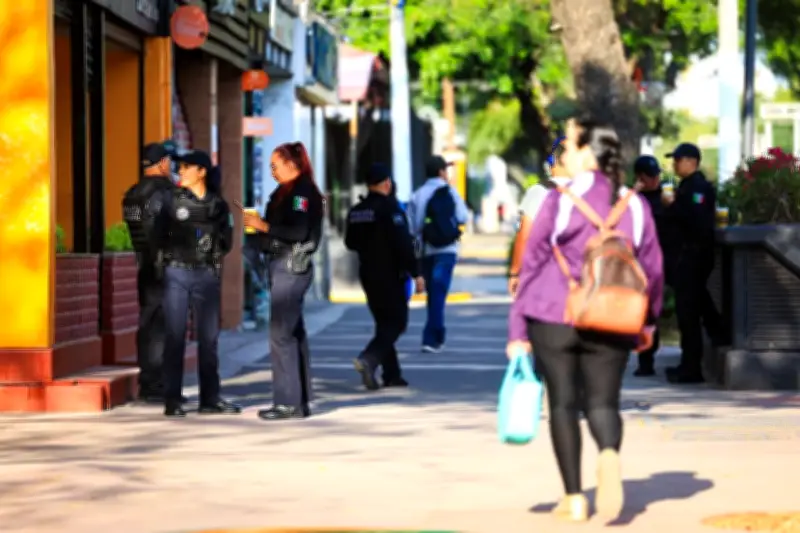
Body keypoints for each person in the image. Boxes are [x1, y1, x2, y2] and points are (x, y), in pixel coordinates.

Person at [507, 118, 664, 522]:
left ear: (588, 153)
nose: (564, 155)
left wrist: (518, 330)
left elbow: (532, 264)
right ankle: (609, 454)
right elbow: (653, 270)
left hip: (553, 313)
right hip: (613, 314)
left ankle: (574, 498)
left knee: (562, 403)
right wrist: (648, 323)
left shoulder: (559, 200)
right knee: (603, 402)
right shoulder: (635, 204)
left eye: (570, 147)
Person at [243, 141, 323, 420]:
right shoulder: (283, 192)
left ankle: (288, 402)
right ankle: (298, 400)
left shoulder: (302, 193)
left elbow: (299, 231)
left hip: (292, 265)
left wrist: (264, 226)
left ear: (292, 164)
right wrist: (257, 232)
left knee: (281, 334)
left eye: (276, 166)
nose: (272, 171)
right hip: (279, 263)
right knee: (292, 332)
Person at [158, 150, 240, 418]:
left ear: (202, 171)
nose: (181, 171)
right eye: (179, 166)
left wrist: (210, 253)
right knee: (175, 337)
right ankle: (172, 400)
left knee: (209, 339)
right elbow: (156, 235)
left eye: (186, 166)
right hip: (177, 274)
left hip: (206, 275)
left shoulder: (218, 205)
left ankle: (210, 399)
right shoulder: (171, 200)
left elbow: (227, 241)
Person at [345, 163, 425, 390]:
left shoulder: (357, 211)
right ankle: (369, 359)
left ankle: (392, 374)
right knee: (397, 322)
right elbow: (403, 244)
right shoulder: (391, 209)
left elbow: (350, 242)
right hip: (390, 274)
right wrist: (417, 273)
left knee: (383, 323)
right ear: (388, 183)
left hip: (367, 273)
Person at [663, 142, 724, 384]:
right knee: (692, 307)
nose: (674, 165)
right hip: (687, 256)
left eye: (678, 160)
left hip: (694, 256)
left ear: (691, 162)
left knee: (688, 313)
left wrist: (673, 206)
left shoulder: (698, 188)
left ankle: (691, 368)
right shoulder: (687, 186)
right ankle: (714, 336)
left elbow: (697, 221)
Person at [122, 142, 177, 403]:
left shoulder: (132, 194)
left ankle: (148, 379)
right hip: (165, 267)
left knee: (147, 321)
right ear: (163, 163)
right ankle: (157, 382)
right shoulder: (166, 193)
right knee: (164, 325)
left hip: (143, 264)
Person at [407, 155, 469, 353]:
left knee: (434, 294)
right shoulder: (451, 192)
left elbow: (413, 227)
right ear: (441, 172)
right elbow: (463, 217)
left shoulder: (418, 195)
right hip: (447, 250)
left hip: (426, 250)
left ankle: (436, 336)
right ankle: (432, 338)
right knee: (438, 293)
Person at [631, 155, 678, 377]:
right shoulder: (633, 200)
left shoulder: (666, 197)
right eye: (650, 176)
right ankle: (646, 361)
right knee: (645, 312)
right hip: (643, 263)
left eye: (656, 175)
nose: (655, 179)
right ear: (639, 177)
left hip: (669, 258)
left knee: (679, 308)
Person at [509, 136, 571, 298]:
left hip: (546, 275)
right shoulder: (589, 192)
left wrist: (515, 272)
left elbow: (525, 235)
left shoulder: (539, 191)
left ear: (553, 161)